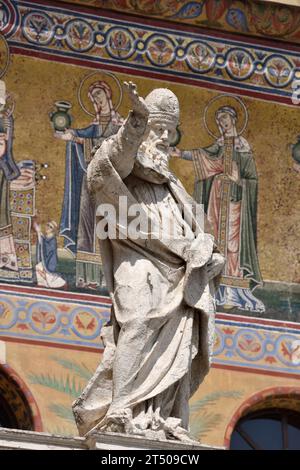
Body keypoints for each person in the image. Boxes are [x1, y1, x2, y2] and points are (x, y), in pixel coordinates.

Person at [72, 82, 225, 442]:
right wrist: (136, 122)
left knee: (180, 347)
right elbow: (105, 166)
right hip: (137, 257)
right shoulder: (124, 167)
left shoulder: (175, 188)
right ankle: (120, 408)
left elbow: (197, 232)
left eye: (169, 133)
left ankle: (159, 417)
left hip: (177, 273)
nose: (164, 139)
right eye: (158, 130)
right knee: (137, 319)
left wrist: (209, 257)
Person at [173, 105, 264, 312]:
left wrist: (238, 180)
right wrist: (180, 153)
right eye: (219, 122)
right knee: (213, 238)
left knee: (234, 245)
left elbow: (252, 180)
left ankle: (233, 290)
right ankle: (212, 288)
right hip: (216, 199)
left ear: (233, 121)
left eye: (225, 120)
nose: (222, 125)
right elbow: (202, 156)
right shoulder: (219, 145)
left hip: (236, 205)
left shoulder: (244, 148)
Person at [55, 80, 123, 289]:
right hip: (89, 184)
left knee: (107, 226)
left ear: (109, 96)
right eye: (94, 99)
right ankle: (86, 277)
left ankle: (108, 279)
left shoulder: (120, 127)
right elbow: (81, 134)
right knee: (86, 224)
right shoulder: (93, 127)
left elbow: (112, 146)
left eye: (100, 96)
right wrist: (69, 135)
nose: (97, 101)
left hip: (109, 186)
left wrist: (77, 140)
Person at [34, 220, 66, 289]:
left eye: (50, 227)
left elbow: (48, 250)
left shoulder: (52, 240)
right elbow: (42, 242)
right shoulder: (46, 237)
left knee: (49, 276)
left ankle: (61, 283)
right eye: (47, 225)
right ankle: (42, 284)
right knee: (39, 269)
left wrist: (39, 232)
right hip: (45, 260)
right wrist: (39, 232)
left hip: (49, 262)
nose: (48, 227)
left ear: (53, 230)